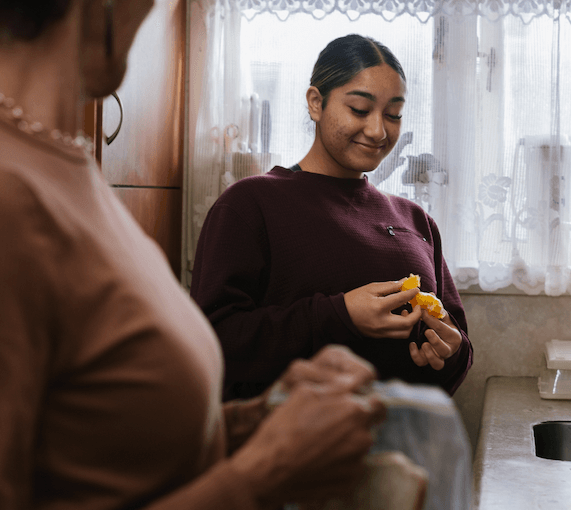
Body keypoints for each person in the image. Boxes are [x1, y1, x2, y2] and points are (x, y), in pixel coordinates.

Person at [0, 1, 386, 509]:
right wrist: (266, 469)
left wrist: (253, 422)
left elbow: (108, 448)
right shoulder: (11, 193)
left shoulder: (71, 170)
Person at [190, 34, 473, 401]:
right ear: (316, 103)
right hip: (292, 450)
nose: (378, 130)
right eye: (359, 109)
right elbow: (213, 342)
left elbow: (459, 348)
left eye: (393, 114)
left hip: (404, 448)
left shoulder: (416, 220)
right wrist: (340, 316)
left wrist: (449, 353)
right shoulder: (250, 204)